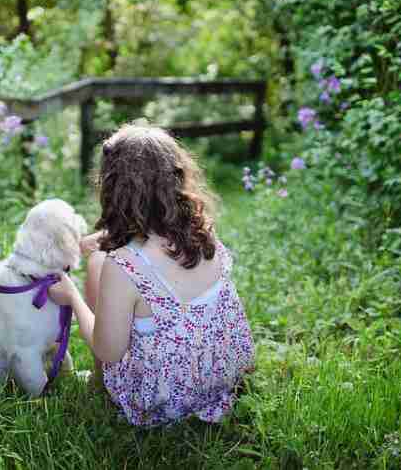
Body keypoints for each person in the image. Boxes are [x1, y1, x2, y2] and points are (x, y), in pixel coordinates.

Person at [48, 123, 255, 426]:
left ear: (114, 189)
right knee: (104, 260)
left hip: (162, 400)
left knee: (97, 263)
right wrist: (108, 238)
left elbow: (110, 351)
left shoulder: (122, 266)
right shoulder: (203, 233)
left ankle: (98, 381)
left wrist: (73, 298)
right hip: (220, 379)